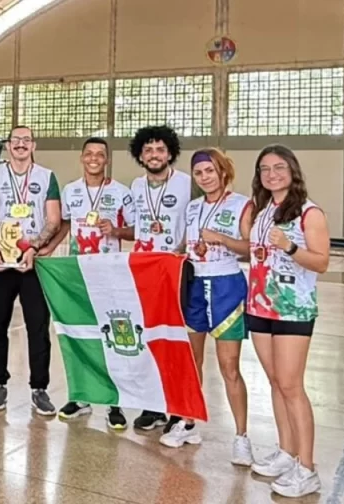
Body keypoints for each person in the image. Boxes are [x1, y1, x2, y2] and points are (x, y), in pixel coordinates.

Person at [159, 148, 253, 464]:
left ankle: (242, 437)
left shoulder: (242, 205)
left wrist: (222, 240)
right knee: (190, 360)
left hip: (226, 287)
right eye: (199, 173)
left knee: (228, 366)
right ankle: (187, 422)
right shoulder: (193, 207)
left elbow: (253, 250)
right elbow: (186, 246)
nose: (204, 177)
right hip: (195, 286)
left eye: (210, 171)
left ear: (223, 171)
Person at [247, 145, 328, 498]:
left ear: (292, 171)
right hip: (259, 306)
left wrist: (291, 248)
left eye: (279, 167)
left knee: (292, 386)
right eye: (265, 169)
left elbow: (322, 262)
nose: (272, 174)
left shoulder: (310, 214)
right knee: (276, 383)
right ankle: (286, 452)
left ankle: (307, 468)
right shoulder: (262, 210)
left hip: (292, 309)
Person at [51, 137, 136, 429]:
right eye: (89, 154)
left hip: (109, 275)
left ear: (107, 160)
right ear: (82, 158)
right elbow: (63, 225)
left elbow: (137, 230)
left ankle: (115, 401)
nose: (94, 158)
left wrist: (117, 230)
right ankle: (81, 396)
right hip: (77, 275)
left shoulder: (122, 193)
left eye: (100, 154)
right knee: (79, 335)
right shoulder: (70, 191)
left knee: (111, 336)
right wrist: (46, 252)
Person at [0, 125, 60, 415]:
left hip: (33, 262)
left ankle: (39, 388)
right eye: (16, 140)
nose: (21, 145)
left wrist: (34, 248)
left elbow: (53, 220)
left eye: (26, 140)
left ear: (33, 146)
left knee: (38, 327)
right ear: (8, 144)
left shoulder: (46, 177)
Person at [121, 125, 192, 431]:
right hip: (144, 269)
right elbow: (136, 227)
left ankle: (176, 407)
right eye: (148, 150)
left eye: (160, 150)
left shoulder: (188, 184)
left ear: (170, 153)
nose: (154, 155)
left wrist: (179, 252)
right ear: (140, 154)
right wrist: (112, 231)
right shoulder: (136, 186)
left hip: (176, 268)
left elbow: (196, 223)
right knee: (148, 337)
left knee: (174, 339)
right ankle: (153, 406)